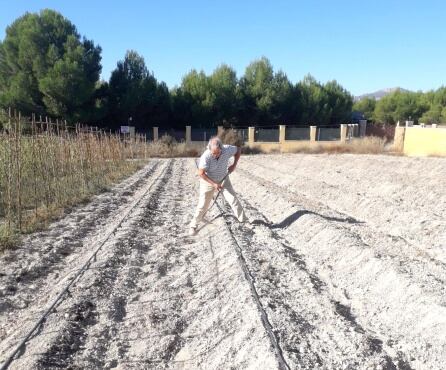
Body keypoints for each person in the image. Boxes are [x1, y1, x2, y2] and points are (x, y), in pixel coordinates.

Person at [189, 136, 246, 236]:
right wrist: (214, 184)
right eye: (213, 153)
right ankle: (193, 226)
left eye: (217, 153)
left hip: (223, 179)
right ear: (209, 149)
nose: (215, 155)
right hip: (208, 181)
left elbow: (238, 150)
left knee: (233, 200)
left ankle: (244, 221)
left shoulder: (227, 150)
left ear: (221, 148)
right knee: (203, 205)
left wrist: (234, 165)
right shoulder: (206, 157)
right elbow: (201, 173)